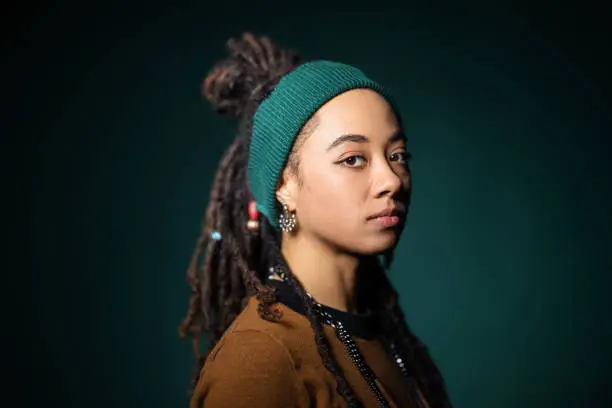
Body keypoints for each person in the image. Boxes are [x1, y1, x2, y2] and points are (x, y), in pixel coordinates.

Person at [179, 32, 452, 408]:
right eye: (352, 159)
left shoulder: (378, 334)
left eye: (398, 155)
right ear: (282, 186)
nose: (391, 180)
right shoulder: (259, 361)